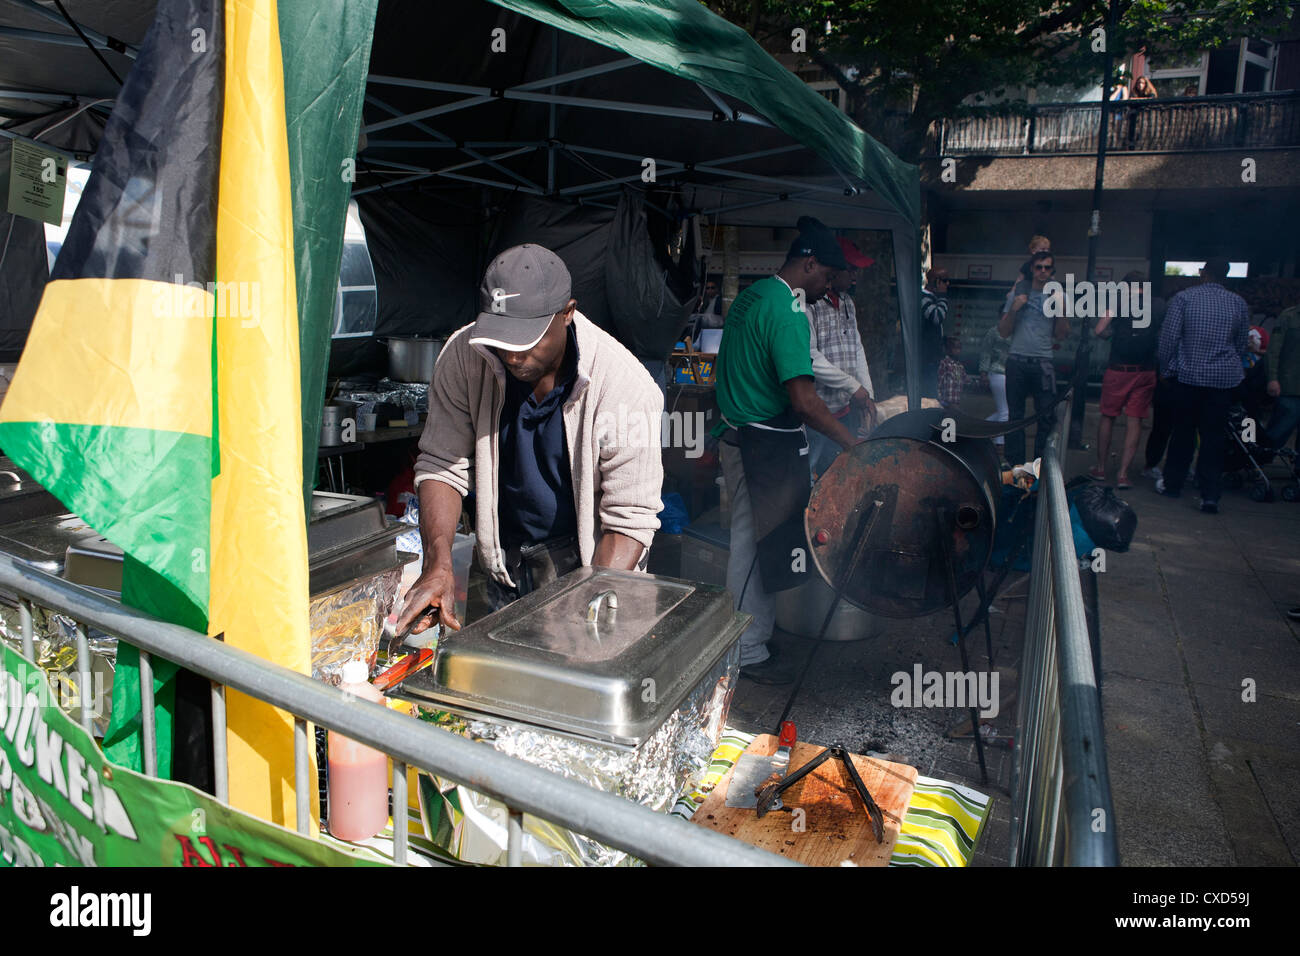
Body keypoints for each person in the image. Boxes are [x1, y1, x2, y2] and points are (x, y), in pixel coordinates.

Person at [396, 243, 665, 635]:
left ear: (567, 313)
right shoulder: (465, 355)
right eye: (502, 338)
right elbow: (442, 464)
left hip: (593, 565)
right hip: (502, 559)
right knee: (496, 685)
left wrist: (584, 613)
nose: (513, 355)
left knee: (569, 688)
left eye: (527, 338)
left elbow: (631, 517)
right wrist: (438, 565)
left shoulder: (624, 385)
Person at [714, 216, 859, 684]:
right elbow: (804, 401)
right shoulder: (789, 311)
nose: (828, 287)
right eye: (828, 276)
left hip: (738, 435)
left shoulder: (752, 297)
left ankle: (749, 639)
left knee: (750, 544)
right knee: (756, 548)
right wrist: (852, 445)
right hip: (764, 445)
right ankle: (748, 650)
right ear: (809, 263)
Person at [1156, 257, 1251, 513]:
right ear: (1226, 276)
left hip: (1188, 378)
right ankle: (1210, 495)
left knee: (1183, 433)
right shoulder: (1238, 303)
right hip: (1222, 382)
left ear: (1203, 273)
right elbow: (1241, 343)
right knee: (1213, 438)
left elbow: (1169, 339)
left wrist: (1166, 369)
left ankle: (1173, 485)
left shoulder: (1184, 299)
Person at [805, 236, 878, 478]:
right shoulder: (807, 303)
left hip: (843, 411)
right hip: (814, 413)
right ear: (833, 270)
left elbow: (857, 348)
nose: (855, 276)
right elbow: (809, 355)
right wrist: (853, 386)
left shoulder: (848, 302)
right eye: (851, 269)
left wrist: (866, 392)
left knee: (836, 476)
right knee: (806, 476)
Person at [999, 250, 1070, 467]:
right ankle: (1015, 466)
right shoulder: (1018, 293)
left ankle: (1041, 467)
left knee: (1046, 416)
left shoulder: (1059, 296)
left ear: (1052, 270)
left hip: (1042, 361)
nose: (1042, 271)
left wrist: (1061, 310)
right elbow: (1002, 332)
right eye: (1039, 267)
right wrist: (1014, 309)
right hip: (1017, 360)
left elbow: (1061, 334)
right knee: (1015, 417)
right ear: (1032, 268)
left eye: (1047, 267)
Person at [1091, 273, 1161, 488]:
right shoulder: (1158, 304)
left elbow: (1099, 329)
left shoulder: (1119, 303)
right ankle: (1122, 474)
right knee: (1135, 421)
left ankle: (1101, 468)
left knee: (1108, 417)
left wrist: (1113, 336)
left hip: (1119, 370)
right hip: (1145, 371)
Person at [1264, 303, 1300, 451]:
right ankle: (1256, 462)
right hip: (1289, 386)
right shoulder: (1289, 316)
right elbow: (1273, 350)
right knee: (1277, 432)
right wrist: (1272, 378)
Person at [978, 324, 1011, 458]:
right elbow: (985, 352)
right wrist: (983, 372)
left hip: (1013, 374)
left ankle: (980, 430)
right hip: (997, 372)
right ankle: (1000, 446)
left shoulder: (1018, 330)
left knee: (1003, 411)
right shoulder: (994, 331)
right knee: (1005, 412)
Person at [920, 267, 949, 397]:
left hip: (931, 357)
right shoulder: (923, 298)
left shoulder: (930, 298)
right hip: (925, 358)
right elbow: (937, 317)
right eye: (944, 280)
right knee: (928, 394)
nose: (947, 284)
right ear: (935, 282)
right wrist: (943, 296)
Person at [937, 335, 966, 411]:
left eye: (959, 348)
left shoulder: (960, 365)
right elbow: (939, 382)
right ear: (948, 349)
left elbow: (964, 379)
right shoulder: (944, 363)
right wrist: (940, 400)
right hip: (946, 402)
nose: (958, 351)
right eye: (955, 348)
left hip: (956, 400)